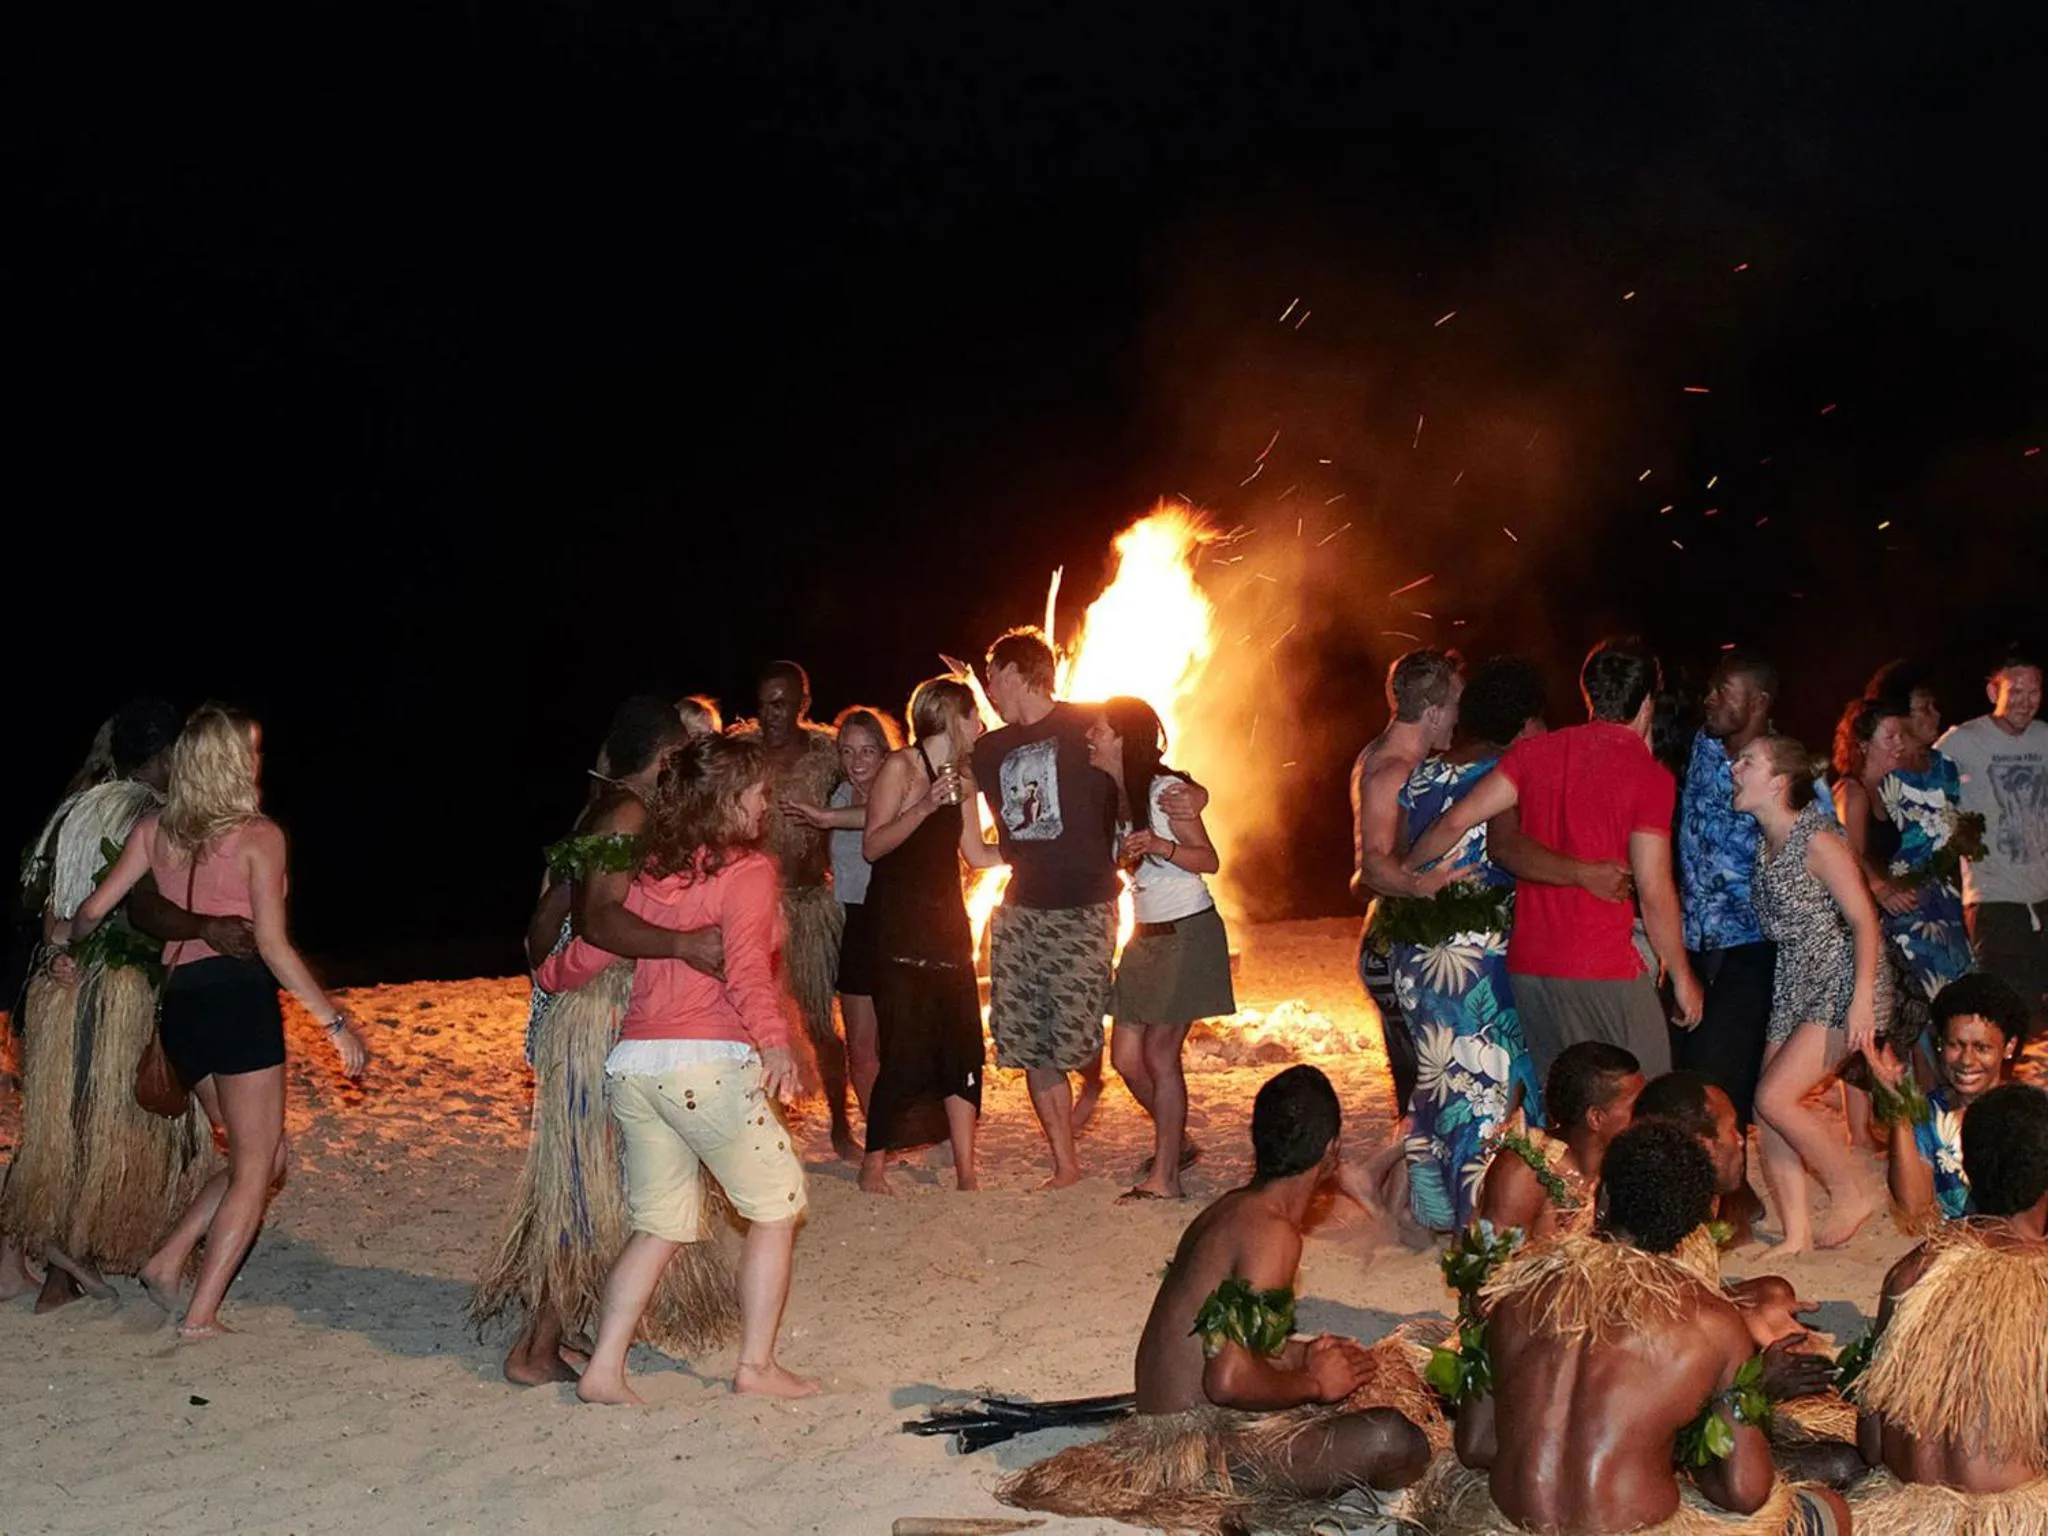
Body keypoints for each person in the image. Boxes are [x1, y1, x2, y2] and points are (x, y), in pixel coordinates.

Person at [999, 1065, 1434, 1532]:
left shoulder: (1231, 1209)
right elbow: (1226, 1380)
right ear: (1332, 1150)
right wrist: (1314, 1383)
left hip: (1178, 1428)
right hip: (1198, 1452)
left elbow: (1222, 1341)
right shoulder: (1273, 1234)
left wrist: (1303, 1355)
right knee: (1396, 1441)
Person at [58, 705, 369, 1339]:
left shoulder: (154, 829)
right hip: (237, 1004)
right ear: (232, 763)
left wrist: (66, 941)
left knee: (267, 1155)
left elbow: (94, 910)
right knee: (255, 1169)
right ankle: (201, 1315)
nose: (258, 761)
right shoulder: (259, 837)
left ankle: (166, 1260)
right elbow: (273, 947)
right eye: (251, 752)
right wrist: (333, 1022)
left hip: (180, 1007)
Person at [540, 735, 816, 1404]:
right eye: (758, 793)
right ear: (728, 800)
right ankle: (756, 1366)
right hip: (705, 1065)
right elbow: (746, 970)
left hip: (637, 1068)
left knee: (660, 1223)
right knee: (777, 1207)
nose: (765, 805)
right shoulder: (748, 873)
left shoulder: (653, 872)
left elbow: (597, 947)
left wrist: (550, 974)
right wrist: (775, 1043)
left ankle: (604, 1369)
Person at [471, 697, 736, 1386]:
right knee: (587, 1187)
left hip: (582, 1010)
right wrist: (683, 944)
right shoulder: (626, 814)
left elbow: (547, 923)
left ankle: (557, 1330)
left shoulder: (606, 809)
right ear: (665, 756)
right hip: (595, 1014)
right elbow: (597, 921)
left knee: (592, 1180)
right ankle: (534, 1349)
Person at [1415, 1118, 1849, 1536]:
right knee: (1829, 1510)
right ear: (1693, 1225)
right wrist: (1750, 1397)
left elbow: (1476, 1447)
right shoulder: (1713, 1323)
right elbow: (1744, 1491)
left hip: (1510, 1526)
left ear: (1602, 1197)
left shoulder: (1515, 1292)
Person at [1408, 637, 1701, 1084]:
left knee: (1566, 1103)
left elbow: (1454, 822)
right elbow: (1654, 887)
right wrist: (1680, 974)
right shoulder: (1649, 776)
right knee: (1649, 1094)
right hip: (1602, 964)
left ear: (1588, 694)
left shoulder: (1533, 753)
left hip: (1531, 967)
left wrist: (1405, 871)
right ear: (1647, 700)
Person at [0, 700, 211, 1311]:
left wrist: (55, 950)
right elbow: (142, 908)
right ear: (167, 756)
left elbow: (42, 903)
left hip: (60, 989)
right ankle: (70, 1257)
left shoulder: (76, 809)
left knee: (60, 1125)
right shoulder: (151, 815)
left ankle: (36, 1270)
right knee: (111, 1126)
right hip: (120, 987)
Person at [1378, 656, 1549, 1232]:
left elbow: (1399, 853)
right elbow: (1509, 852)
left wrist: (1415, 880)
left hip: (1420, 953)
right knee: (1490, 1083)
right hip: (1478, 953)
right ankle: (1485, 1220)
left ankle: (1440, 1209)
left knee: (1438, 1082)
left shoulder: (1421, 775)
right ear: (1522, 720)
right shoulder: (1505, 773)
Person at [1849, 1082, 2048, 1533]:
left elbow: (1873, 1446)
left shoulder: (1911, 1272)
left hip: (1903, 1516)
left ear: (1968, 1167)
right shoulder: (2039, 1283)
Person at [971, 627, 1121, 1188]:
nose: (988, 688)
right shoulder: (988, 750)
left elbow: (1137, 777)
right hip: (1021, 909)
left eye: (992, 676)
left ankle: (1096, 1079)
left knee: (1077, 1036)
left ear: (1015, 672)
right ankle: (1065, 1164)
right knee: (1029, 1040)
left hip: (1085, 906)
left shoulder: (1091, 723)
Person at [1736, 735, 1890, 1253]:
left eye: (1748, 762)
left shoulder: (1817, 839)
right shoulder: (1766, 844)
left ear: (1779, 781)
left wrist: (1862, 999)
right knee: (1767, 1111)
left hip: (1840, 978)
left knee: (1774, 1097)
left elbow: (1864, 919)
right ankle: (1797, 1233)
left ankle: (1851, 1190)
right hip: (1795, 980)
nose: (1735, 769)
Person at [857, 678, 1001, 1195]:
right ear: (949, 717)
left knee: (963, 1048)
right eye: (973, 715)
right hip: (898, 925)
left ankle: (967, 1171)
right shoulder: (900, 767)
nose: (980, 725)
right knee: (904, 1048)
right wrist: (923, 807)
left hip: (946, 925)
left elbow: (976, 854)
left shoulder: (963, 776)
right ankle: (873, 1166)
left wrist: (1032, 850)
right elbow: (873, 846)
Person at [1088, 696, 1233, 1203]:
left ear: (1123, 738)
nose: (1090, 738)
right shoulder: (1117, 798)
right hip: (1146, 936)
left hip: (1187, 930)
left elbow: (1208, 859)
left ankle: (1166, 1177)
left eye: (1098, 730)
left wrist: (1160, 845)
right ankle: (1178, 1142)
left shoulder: (1165, 793)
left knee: (1158, 1053)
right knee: (1126, 1058)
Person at [1676, 651, 1783, 1245]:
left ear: (1760, 701)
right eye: (1711, 687)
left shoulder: (1782, 766)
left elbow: (1822, 842)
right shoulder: (1700, 747)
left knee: (1724, 1087)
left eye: (1725, 690)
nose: (1711, 698)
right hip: (1693, 944)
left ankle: (1731, 1211)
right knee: (1691, 1077)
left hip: (1750, 947)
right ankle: (1721, 1200)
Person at [733, 661, 853, 1158]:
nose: (771, 715)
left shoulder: (828, 754)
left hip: (809, 905)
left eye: (781, 704)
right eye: (764, 704)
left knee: (820, 1023)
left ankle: (841, 1124)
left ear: (804, 703)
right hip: (751, 909)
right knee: (751, 1022)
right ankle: (762, 1125)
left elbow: (877, 785)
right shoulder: (741, 753)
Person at [1350, 648, 1466, 1117]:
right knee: (1421, 1097)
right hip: (1392, 944)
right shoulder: (1392, 770)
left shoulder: (1382, 755)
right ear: (1434, 711)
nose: (1459, 716)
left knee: (1419, 1095)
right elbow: (1373, 866)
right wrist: (1422, 886)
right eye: (1455, 705)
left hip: (1393, 936)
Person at [1833, 697, 1972, 1049]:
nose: (1900, 744)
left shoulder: (1882, 792)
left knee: (1917, 1018)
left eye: (1901, 736)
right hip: (1863, 925)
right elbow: (1846, 854)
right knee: (1899, 1025)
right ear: (1863, 744)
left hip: (1884, 919)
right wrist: (1881, 888)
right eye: (1890, 737)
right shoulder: (1853, 792)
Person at [785, 706, 899, 1130]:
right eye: (848, 751)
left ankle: (915, 1126)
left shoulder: (903, 790)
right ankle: (879, 1136)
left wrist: (825, 818)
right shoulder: (837, 795)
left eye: (868, 750)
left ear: (885, 752)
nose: (857, 761)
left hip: (897, 923)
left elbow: (879, 817)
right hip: (855, 922)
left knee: (898, 1040)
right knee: (861, 1045)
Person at [1935, 652, 2048, 1033]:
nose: (2025, 701)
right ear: (1993, 692)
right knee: (2003, 1010)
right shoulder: (1963, 741)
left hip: (2044, 894)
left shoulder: (2045, 737)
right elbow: (1921, 790)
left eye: (2034, 691)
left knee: (2037, 1014)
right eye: (2015, 691)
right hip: (1994, 898)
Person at [1869, 971, 2032, 1227]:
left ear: (2009, 1047)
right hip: (1956, 1245)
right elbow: (1915, 1211)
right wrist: (1900, 1111)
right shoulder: (1928, 1115)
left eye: (1981, 1047)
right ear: (1940, 1044)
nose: (1966, 1060)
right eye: (1955, 1045)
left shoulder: (2029, 1115)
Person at [1472, 1041, 1642, 1244]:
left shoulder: (1629, 1165)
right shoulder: (1523, 1171)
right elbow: (1488, 1259)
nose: (1648, 1111)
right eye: (1637, 1105)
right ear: (1596, 1118)